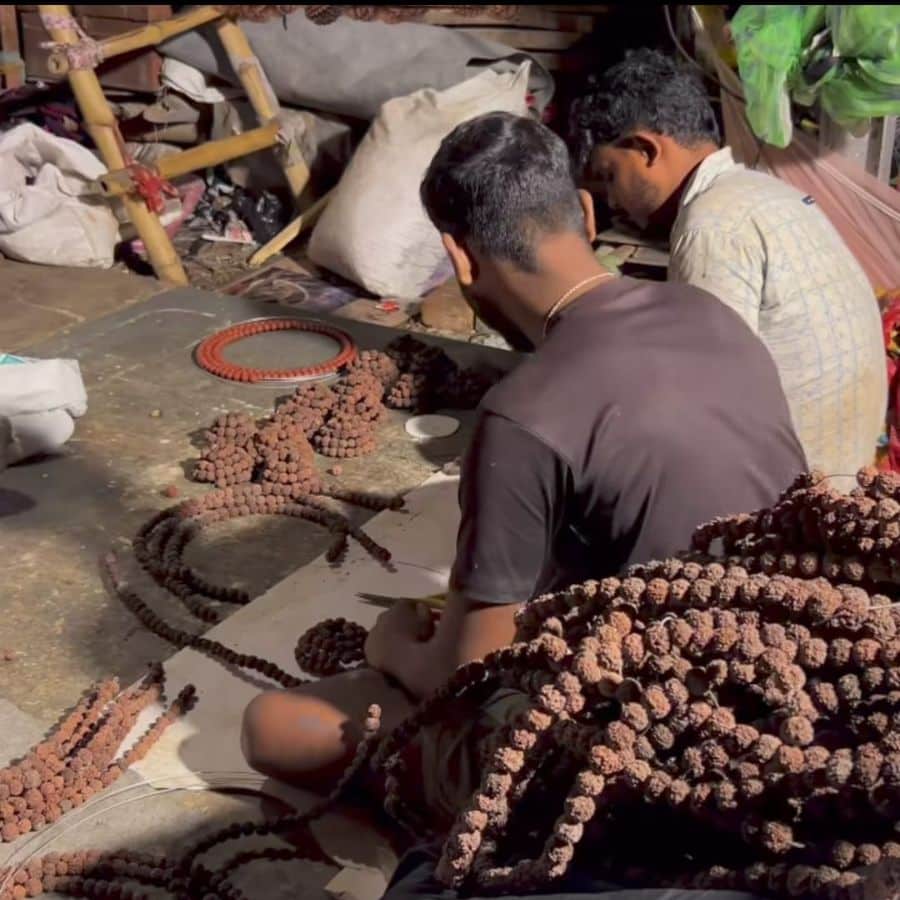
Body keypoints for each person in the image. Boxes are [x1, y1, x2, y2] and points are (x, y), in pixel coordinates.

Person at [240, 111, 805, 824]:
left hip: (664, 748)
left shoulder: (526, 411)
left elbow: (464, 677)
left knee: (276, 726)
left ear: (461, 259)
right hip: (796, 678)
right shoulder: (711, 314)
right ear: (588, 214)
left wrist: (392, 652)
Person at [569, 48, 886, 483]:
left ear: (645, 149)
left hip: (796, 504)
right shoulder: (763, 191)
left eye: (609, 177)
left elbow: (700, 410)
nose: (612, 201)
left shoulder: (709, 225)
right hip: (846, 472)